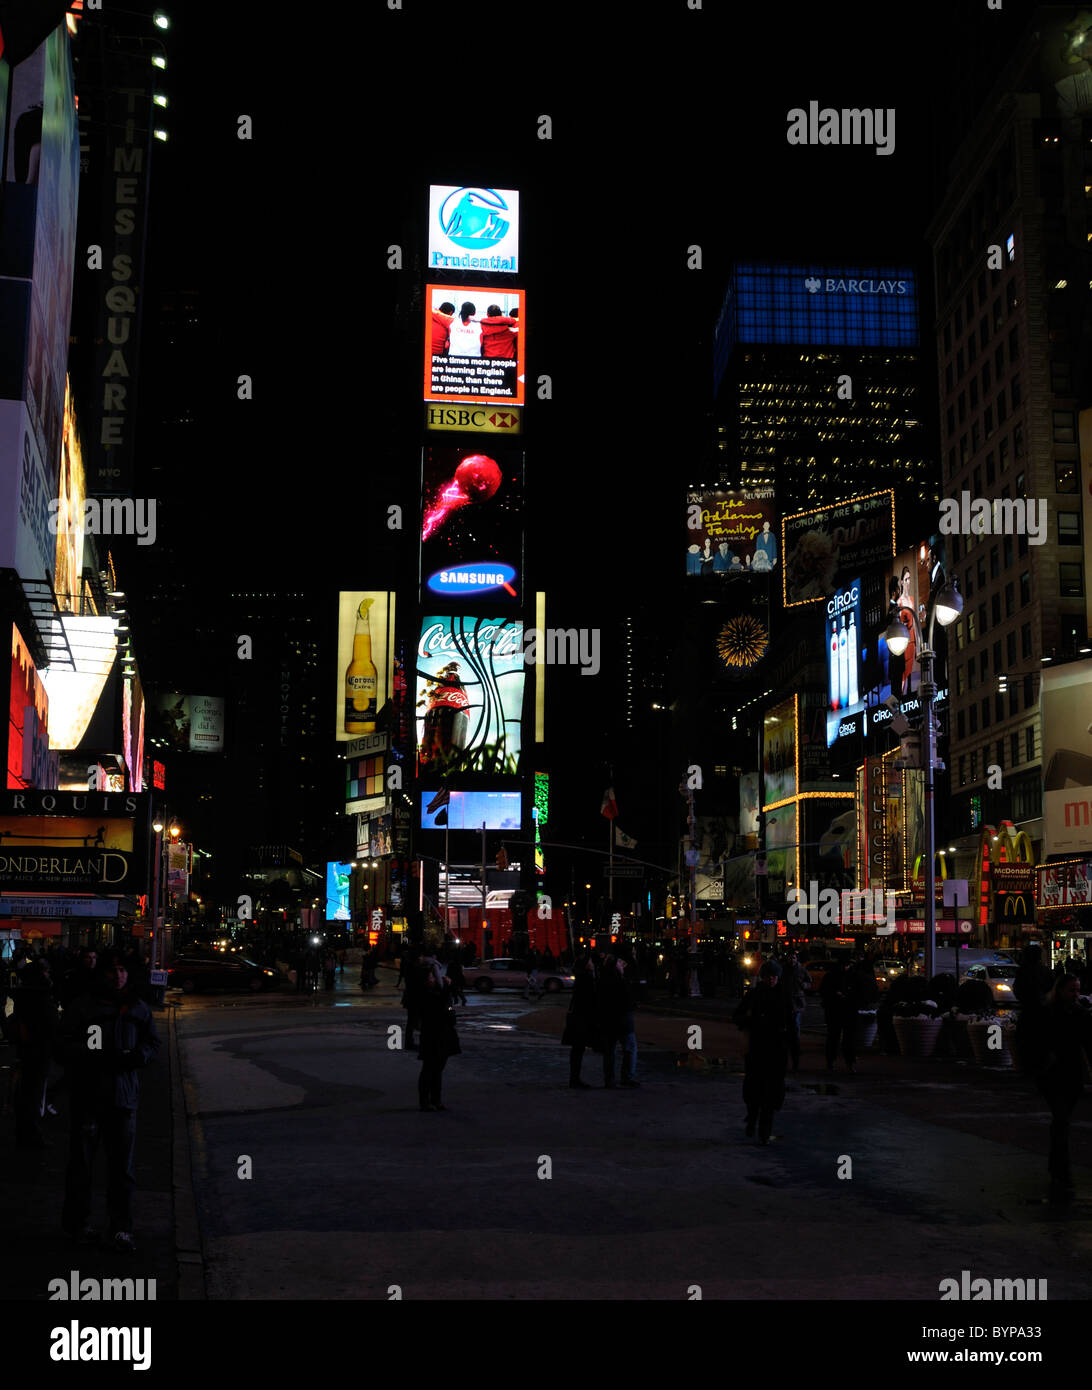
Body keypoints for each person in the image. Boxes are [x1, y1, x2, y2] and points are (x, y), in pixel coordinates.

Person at [59, 950, 159, 1252]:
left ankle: (121, 1228)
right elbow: (63, 1043)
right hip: (89, 1096)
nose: (119, 976)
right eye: (113, 970)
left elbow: (151, 1042)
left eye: (123, 970)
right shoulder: (84, 1007)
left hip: (122, 1097)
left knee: (121, 1169)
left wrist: (136, 1057)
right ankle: (79, 1225)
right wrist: (91, 1055)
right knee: (82, 1166)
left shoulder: (137, 1007)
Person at [1018, 974, 1092, 1202]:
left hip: (1070, 1075)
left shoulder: (1079, 1014)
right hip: (1052, 1075)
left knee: (1062, 1120)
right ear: (1060, 991)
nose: (1076, 994)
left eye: (1078, 990)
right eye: (1072, 990)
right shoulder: (1048, 1013)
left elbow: (1088, 1042)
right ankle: (1062, 1170)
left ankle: (1057, 1166)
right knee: (1061, 1119)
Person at [733, 959, 793, 1144]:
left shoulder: (783, 995)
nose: (772, 980)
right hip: (759, 1048)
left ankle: (763, 1132)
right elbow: (738, 1016)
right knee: (756, 1090)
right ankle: (753, 1119)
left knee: (769, 1093)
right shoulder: (755, 995)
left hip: (775, 1050)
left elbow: (790, 1024)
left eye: (774, 976)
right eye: (769, 976)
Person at [11, 958, 57, 1149]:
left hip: (28, 1049)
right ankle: (31, 1134)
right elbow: (49, 1025)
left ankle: (25, 1132)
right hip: (39, 1050)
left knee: (27, 1093)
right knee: (34, 1094)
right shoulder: (41, 997)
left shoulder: (25, 995)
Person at [416, 956, 460, 1111]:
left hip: (441, 1032)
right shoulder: (427, 993)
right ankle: (427, 1100)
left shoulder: (434, 990)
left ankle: (434, 1099)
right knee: (430, 1068)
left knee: (437, 1068)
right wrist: (447, 987)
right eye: (432, 976)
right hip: (433, 1033)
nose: (434, 978)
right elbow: (441, 1002)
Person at [562, 955, 599, 1088]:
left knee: (577, 1050)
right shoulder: (587, 978)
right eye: (590, 961)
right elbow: (590, 999)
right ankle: (575, 1079)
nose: (592, 962)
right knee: (578, 1049)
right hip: (582, 1019)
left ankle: (574, 1078)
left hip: (577, 1018)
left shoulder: (581, 977)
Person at [820, 955, 858, 1073]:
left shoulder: (833, 976)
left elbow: (824, 991)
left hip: (840, 1010)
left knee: (840, 1038)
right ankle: (840, 1063)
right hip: (839, 1010)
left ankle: (843, 1063)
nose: (846, 967)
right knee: (838, 1038)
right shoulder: (850, 976)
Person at [596, 952, 626, 1088]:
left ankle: (609, 1079)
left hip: (606, 1018)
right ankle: (611, 1080)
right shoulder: (616, 979)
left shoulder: (602, 977)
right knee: (612, 1050)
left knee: (609, 1051)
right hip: (613, 1018)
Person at [784, 950, 812, 1072]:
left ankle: (795, 1053)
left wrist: (803, 985)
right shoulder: (784, 969)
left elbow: (809, 982)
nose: (792, 960)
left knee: (795, 1027)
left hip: (797, 1002)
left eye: (794, 958)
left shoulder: (801, 970)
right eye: (790, 958)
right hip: (786, 1002)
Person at [1014, 944, 1054, 1008]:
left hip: (1027, 1006)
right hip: (1042, 1006)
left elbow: (1017, 990)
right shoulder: (1045, 970)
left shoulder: (1023, 970)